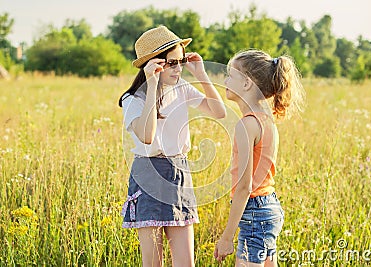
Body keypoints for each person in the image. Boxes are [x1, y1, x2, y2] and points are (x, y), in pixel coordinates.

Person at [119, 25, 226, 267]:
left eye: (181, 61)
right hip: (148, 174)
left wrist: (201, 74)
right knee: (153, 263)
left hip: (179, 172)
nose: (179, 68)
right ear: (154, 63)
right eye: (173, 62)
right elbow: (147, 136)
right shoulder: (133, 100)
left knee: (186, 263)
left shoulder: (182, 89)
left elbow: (219, 112)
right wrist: (152, 83)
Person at [214, 49, 305, 266]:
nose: (224, 80)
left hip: (255, 211)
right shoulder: (266, 121)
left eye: (230, 75)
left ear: (246, 83)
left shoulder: (247, 125)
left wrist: (227, 237)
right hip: (269, 206)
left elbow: (245, 187)